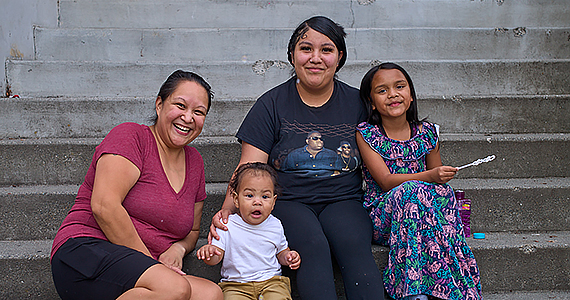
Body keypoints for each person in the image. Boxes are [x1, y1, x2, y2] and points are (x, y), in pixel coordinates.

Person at [210, 16, 385, 299]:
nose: (315, 58)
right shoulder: (271, 104)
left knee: (353, 242)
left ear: (339, 57)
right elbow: (248, 168)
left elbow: (389, 146)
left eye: (326, 50)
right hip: (289, 202)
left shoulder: (358, 103)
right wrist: (226, 215)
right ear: (291, 55)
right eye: (306, 48)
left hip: (343, 200)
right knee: (312, 244)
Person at [50, 70, 223, 300]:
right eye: (180, 105)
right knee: (172, 288)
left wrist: (178, 248)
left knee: (210, 294)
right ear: (159, 104)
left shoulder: (195, 162)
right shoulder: (131, 137)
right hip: (87, 251)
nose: (188, 117)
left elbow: (192, 231)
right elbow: (104, 206)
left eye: (198, 112)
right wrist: (154, 266)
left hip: (145, 270)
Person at [356, 62, 482, 300]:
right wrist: (429, 177)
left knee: (442, 194)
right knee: (412, 191)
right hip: (385, 215)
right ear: (372, 102)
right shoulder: (366, 134)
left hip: (421, 212)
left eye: (399, 87)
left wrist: (441, 176)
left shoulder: (427, 132)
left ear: (411, 95)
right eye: (382, 90)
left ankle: (444, 289)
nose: (393, 94)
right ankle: (411, 292)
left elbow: (437, 181)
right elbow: (385, 181)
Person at [197, 162, 301, 300]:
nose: (257, 202)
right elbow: (217, 256)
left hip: (271, 282)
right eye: (249, 195)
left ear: (273, 201)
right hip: (235, 285)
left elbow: (281, 252)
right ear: (236, 199)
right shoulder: (227, 224)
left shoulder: (275, 224)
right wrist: (209, 254)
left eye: (265, 197)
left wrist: (289, 257)